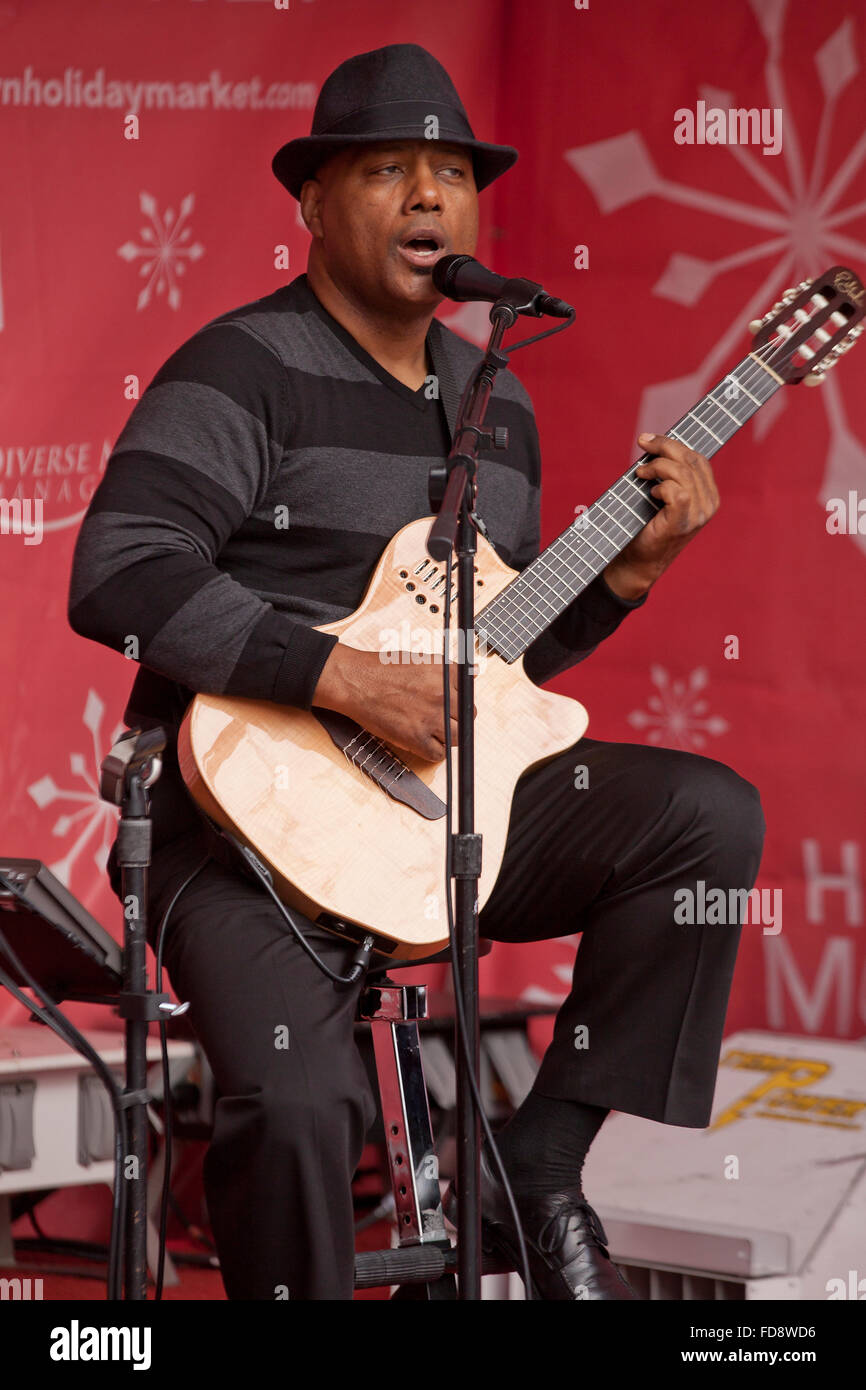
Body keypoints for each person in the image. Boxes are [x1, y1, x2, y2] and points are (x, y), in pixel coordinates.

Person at [68, 43, 765, 1301]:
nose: (428, 197)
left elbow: (494, 668)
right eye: (387, 169)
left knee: (701, 816)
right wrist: (334, 676)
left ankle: (540, 1156)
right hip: (240, 826)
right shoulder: (238, 366)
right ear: (313, 204)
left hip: (436, 810)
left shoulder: (494, 402)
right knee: (294, 1102)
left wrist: (625, 576)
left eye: (450, 172)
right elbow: (118, 574)